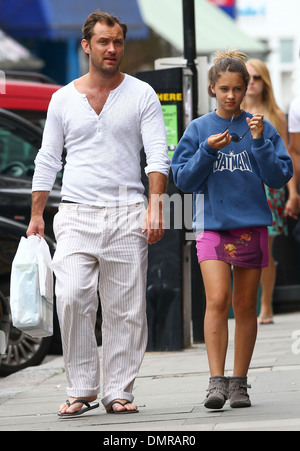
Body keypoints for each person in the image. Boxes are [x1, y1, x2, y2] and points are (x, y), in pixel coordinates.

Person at [26, 10, 170, 417]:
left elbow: (158, 155)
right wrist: (36, 215)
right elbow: (48, 158)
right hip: (74, 213)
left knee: (126, 308)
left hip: (127, 212)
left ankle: (118, 390)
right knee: (70, 297)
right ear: (86, 45)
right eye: (104, 41)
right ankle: (82, 387)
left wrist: (156, 205)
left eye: (118, 41)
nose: (112, 49)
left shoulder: (142, 94)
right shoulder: (62, 99)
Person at [171, 50, 293, 410]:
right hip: (210, 225)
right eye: (224, 88)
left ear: (246, 89)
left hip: (251, 225)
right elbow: (184, 180)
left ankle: (239, 383)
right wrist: (207, 151)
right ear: (212, 88)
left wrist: (258, 143)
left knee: (244, 305)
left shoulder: (260, 126)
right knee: (218, 299)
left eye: (237, 89)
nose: (231, 95)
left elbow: (278, 177)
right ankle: (216, 382)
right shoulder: (198, 129)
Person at [243, 59, 299, 325]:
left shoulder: (275, 113)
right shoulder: (234, 111)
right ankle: (246, 304)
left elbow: (285, 155)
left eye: (257, 78)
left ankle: (265, 304)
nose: (251, 83)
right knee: (241, 249)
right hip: (242, 185)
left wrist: (293, 194)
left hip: (271, 190)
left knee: (266, 250)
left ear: (265, 83)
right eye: (248, 78)